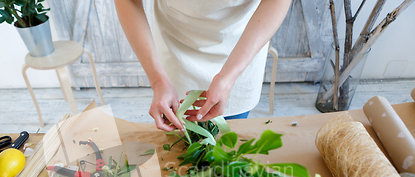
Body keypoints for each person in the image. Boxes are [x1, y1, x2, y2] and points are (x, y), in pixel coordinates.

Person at [114, 0, 292, 131]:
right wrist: (158, 80)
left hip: (242, 46)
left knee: (229, 145)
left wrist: (228, 77)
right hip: (175, 47)